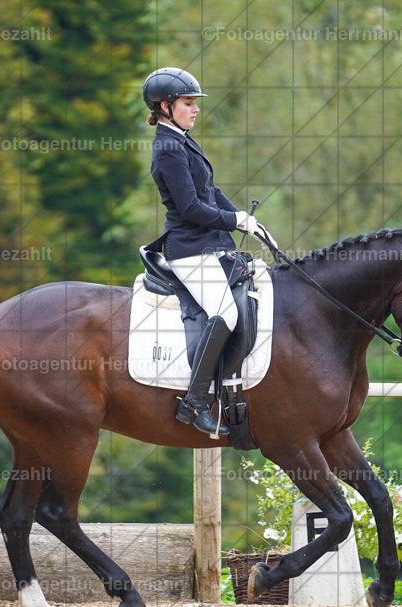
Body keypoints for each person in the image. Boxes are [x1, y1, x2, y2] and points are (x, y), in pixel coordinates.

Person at [143, 67, 272, 436]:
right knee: (225, 314)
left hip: (209, 246)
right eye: (188, 103)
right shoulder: (168, 148)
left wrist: (245, 218)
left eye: (195, 103)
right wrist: (234, 222)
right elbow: (190, 209)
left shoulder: (181, 139)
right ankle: (194, 402)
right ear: (165, 106)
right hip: (188, 249)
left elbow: (210, 193)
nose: (196, 109)